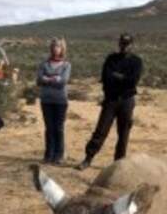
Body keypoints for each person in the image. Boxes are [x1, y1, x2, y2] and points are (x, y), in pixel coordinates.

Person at [76, 33, 143, 170]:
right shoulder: (111, 58)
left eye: (127, 44)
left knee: (123, 133)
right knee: (101, 130)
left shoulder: (136, 61)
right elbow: (105, 77)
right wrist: (123, 78)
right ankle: (88, 158)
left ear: (132, 45)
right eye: (122, 43)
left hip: (126, 100)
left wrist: (117, 77)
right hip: (111, 100)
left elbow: (133, 81)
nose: (124, 46)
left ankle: (118, 164)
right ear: (119, 43)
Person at [37, 37, 71, 165]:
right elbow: (39, 79)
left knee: (59, 128)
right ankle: (48, 155)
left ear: (62, 49)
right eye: (54, 46)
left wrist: (47, 78)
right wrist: (55, 78)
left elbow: (63, 81)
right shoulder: (44, 64)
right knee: (49, 128)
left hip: (60, 100)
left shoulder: (66, 65)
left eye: (58, 46)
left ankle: (59, 155)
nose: (56, 49)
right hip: (46, 100)